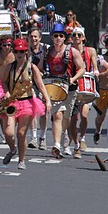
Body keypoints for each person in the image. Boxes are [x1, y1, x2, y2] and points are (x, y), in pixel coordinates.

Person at [0, 38, 52, 170]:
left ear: (26, 52)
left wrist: (47, 99)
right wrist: (6, 92)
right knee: (8, 133)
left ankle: (21, 160)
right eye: (17, 51)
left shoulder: (32, 67)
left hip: (27, 102)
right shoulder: (10, 67)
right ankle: (12, 149)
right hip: (12, 102)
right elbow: (3, 82)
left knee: (21, 133)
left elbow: (40, 85)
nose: (19, 53)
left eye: (22, 51)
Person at [38, 23, 85, 158]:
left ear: (64, 38)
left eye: (60, 36)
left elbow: (81, 69)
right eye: (55, 36)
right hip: (53, 88)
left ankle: (64, 133)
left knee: (67, 116)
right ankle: (56, 145)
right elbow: (40, 68)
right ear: (52, 38)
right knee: (57, 115)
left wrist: (73, 79)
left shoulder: (72, 51)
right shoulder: (47, 52)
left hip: (69, 88)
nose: (58, 38)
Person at [67, 27, 97, 158]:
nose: (77, 37)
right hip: (73, 86)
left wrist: (96, 71)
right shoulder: (68, 51)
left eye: (79, 35)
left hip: (86, 86)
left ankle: (83, 137)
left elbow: (95, 66)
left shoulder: (90, 51)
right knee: (73, 119)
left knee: (84, 115)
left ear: (83, 37)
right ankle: (76, 144)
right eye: (74, 35)